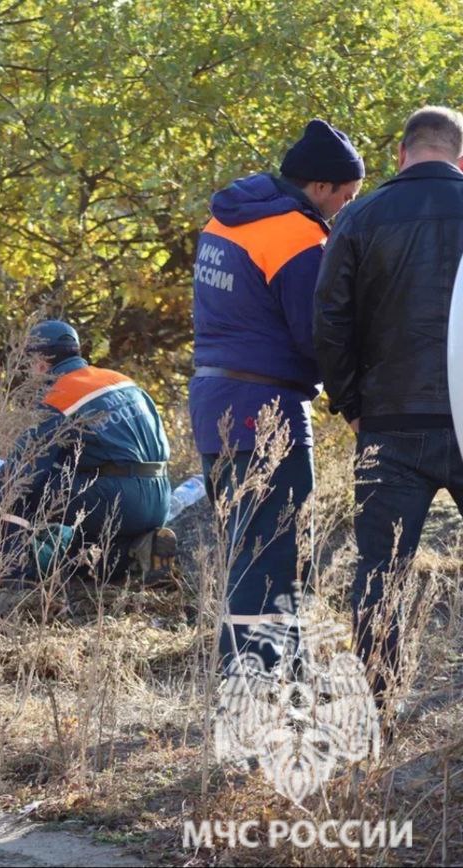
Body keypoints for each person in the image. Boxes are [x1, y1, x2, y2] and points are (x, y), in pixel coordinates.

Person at [190, 119, 364, 676]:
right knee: (274, 550)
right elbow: (318, 334)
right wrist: (354, 401)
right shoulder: (297, 235)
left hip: (211, 400)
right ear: (321, 186)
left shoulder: (226, 218)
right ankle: (261, 677)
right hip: (267, 409)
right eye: (345, 196)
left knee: (244, 548)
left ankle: (248, 667)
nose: (342, 209)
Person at [315, 106, 463, 699]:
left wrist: (351, 404)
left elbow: (330, 322)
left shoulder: (360, 217)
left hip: (389, 421)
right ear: (459, 155)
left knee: (381, 570)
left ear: (400, 155)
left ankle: (379, 702)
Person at [0, 321, 172, 580]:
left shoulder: (60, 396)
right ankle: (136, 551)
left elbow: (21, 473)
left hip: (120, 500)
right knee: (70, 497)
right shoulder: (122, 381)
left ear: (41, 362)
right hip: (158, 498)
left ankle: (16, 580)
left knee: (31, 491)